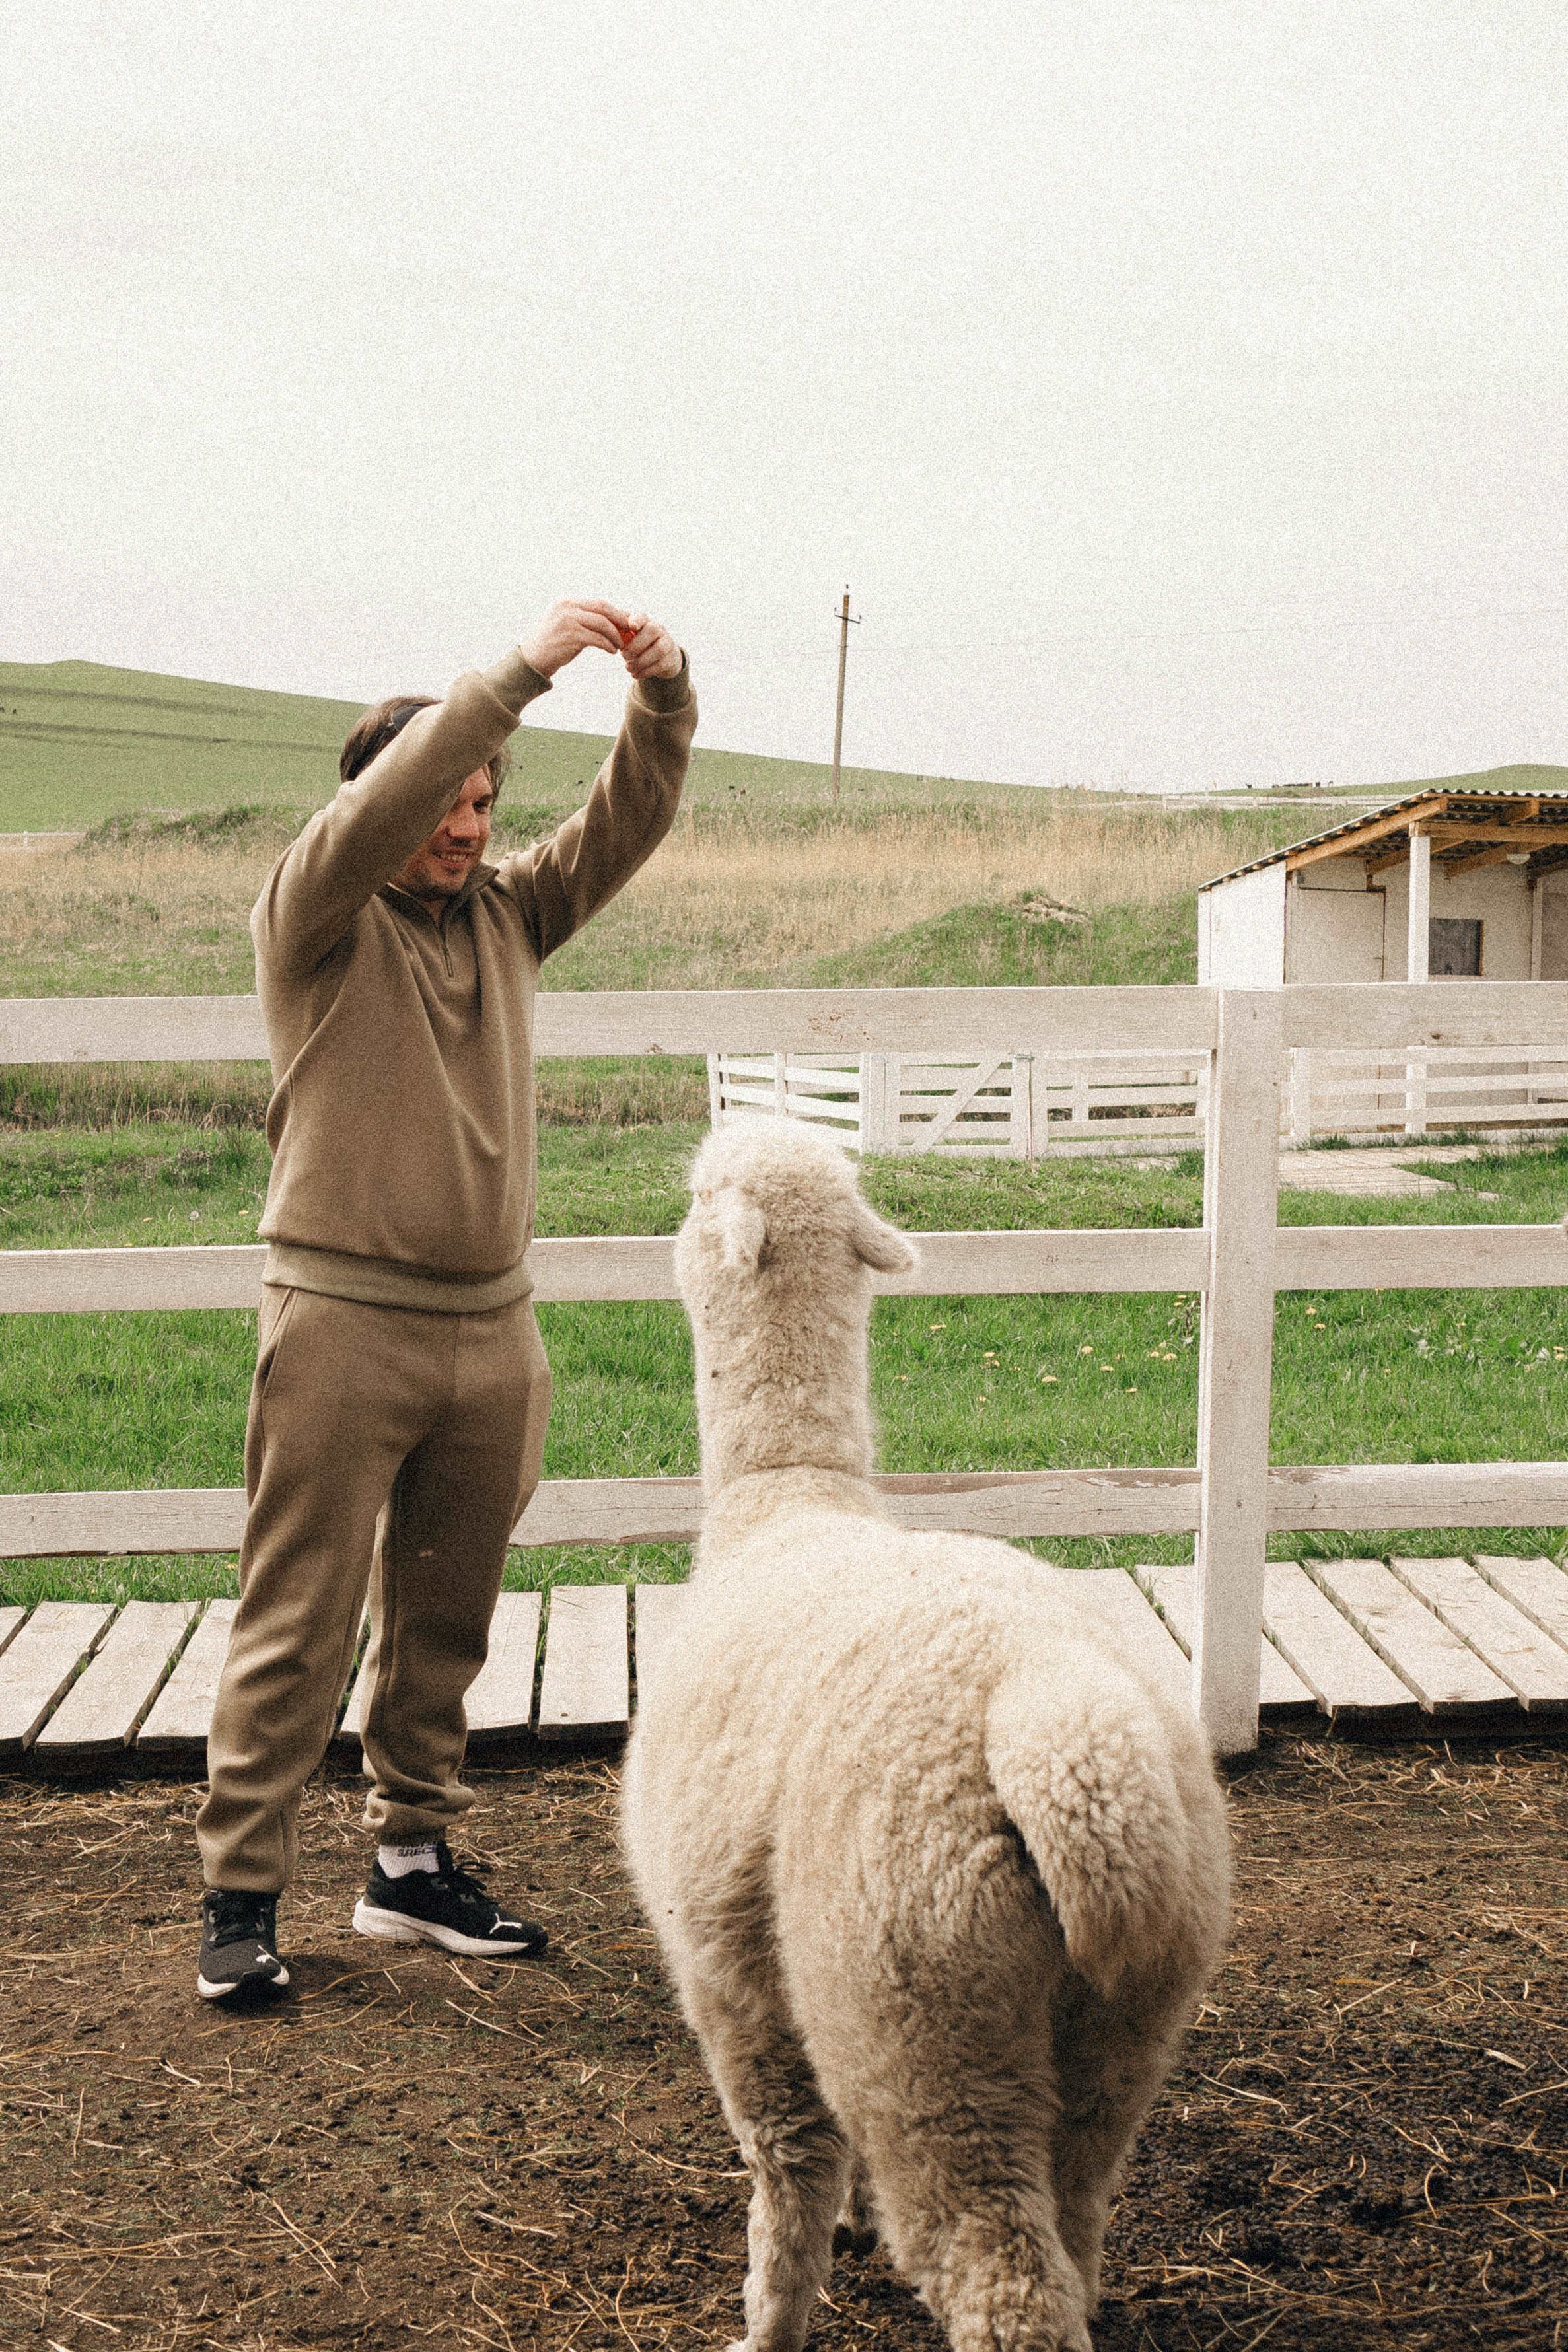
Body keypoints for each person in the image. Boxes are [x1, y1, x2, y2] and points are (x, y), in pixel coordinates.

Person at [193, 600, 696, 2001]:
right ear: (378, 803)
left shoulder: (511, 915)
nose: (469, 826)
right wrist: (519, 675)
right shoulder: (315, 916)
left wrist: (659, 700)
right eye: (446, 800)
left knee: (445, 1621)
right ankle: (240, 1894)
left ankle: (409, 1866)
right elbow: (386, 802)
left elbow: (629, 817)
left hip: (494, 1326)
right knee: (297, 1618)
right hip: (340, 1321)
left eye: (484, 802)